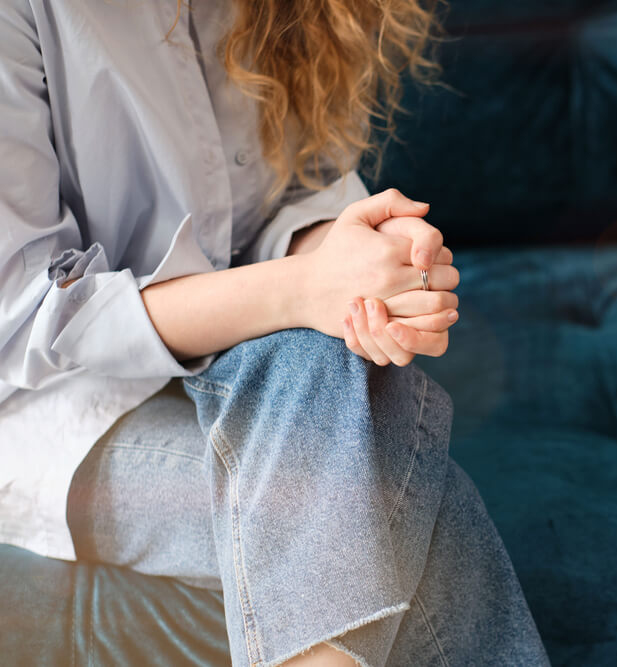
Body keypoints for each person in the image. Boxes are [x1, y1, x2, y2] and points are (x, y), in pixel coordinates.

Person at [0, 1, 550, 666]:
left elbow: (281, 208)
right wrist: (303, 288)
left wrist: (365, 257)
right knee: (418, 519)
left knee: (313, 358)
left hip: (250, 361)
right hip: (56, 411)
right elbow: (28, 311)